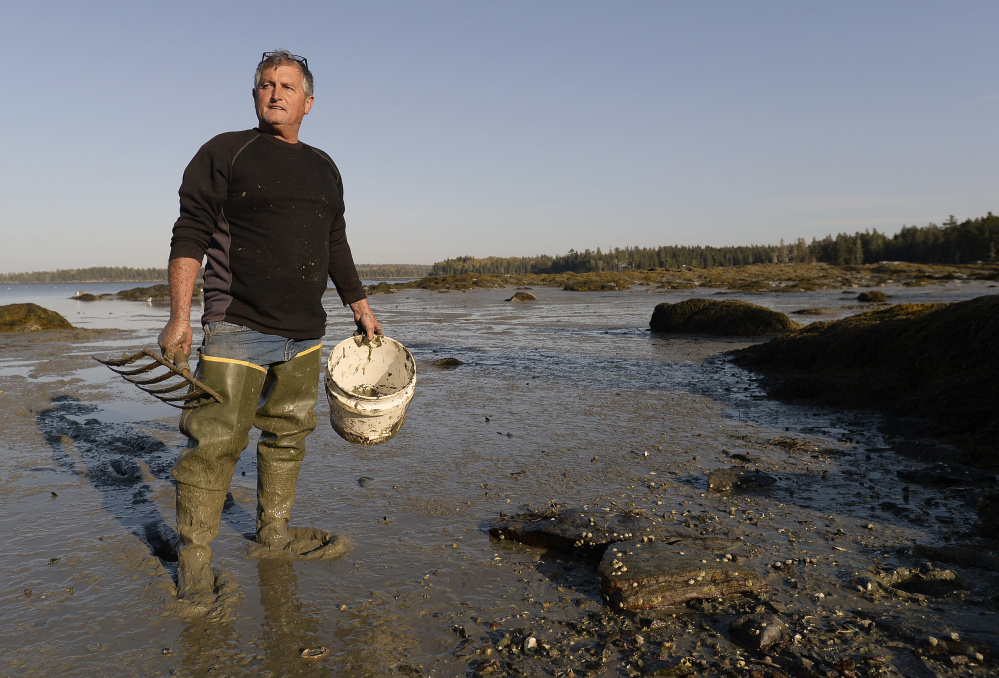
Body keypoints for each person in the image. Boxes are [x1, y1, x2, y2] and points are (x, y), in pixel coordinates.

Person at [158, 49, 381, 601]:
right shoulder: (225, 152)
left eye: (286, 85)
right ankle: (194, 562)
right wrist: (179, 316)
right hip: (236, 324)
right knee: (213, 442)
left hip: (304, 332)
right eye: (265, 84)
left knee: (287, 435)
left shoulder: (325, 167)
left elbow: (334, 242)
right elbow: (190, 233)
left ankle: (273, 537)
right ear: (254, 95)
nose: (275, 93)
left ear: (309, 102)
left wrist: (359, 303)